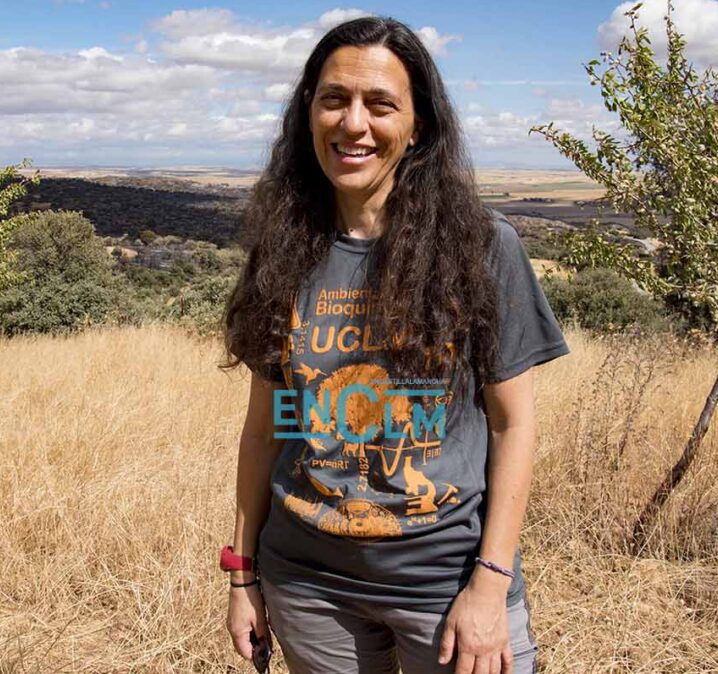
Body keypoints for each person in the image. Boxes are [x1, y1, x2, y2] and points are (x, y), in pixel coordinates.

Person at [220, 15, 569, 674]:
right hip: (306, 585)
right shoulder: (282, 248)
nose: (354, 124)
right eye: (334, 99)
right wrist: (241, 578)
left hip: (447, 583)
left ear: (418, 128)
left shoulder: (480, 247)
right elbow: (262, 432)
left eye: (380, 105)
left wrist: (489, 587)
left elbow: (513, 424)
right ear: (308, 112)